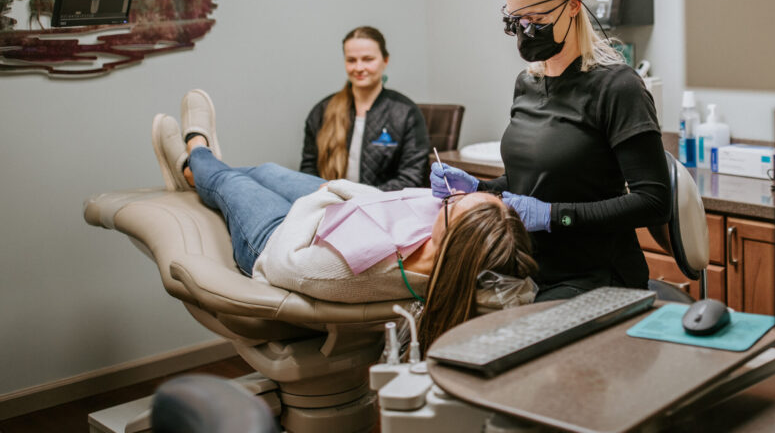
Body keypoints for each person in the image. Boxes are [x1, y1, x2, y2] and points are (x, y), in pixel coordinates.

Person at [154, 90, 537, 353]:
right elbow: (517, 286)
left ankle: (194, 154)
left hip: (282, 237)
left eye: (456, 205)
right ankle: (201, 173)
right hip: (339, 203)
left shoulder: (352, 272)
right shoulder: (460, 240)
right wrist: (340, 192)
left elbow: (284, 266)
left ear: (449, 243)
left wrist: (321, 197)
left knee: (229, 182)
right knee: (265, 169)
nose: (451, 199)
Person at [431, 0, 671, 301]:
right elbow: (537, 181)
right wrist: (482, 190)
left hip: (598, 278)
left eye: (537, 21)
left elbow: (654, 201)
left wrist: (555, 216)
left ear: (574, 6)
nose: (526, 31)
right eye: (516, 22)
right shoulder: (526, 84)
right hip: (531, 268)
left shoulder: (618, 88)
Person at [301, 26, 429, 190]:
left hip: (380, 208)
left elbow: (411, 178)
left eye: (368, 59)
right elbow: (307, 172)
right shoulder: (322, 111)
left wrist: (360, 196)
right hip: (329, 205)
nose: (359, 68)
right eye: (351, 60)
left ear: (385, 60)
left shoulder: (405, 113)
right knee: (264, 173)